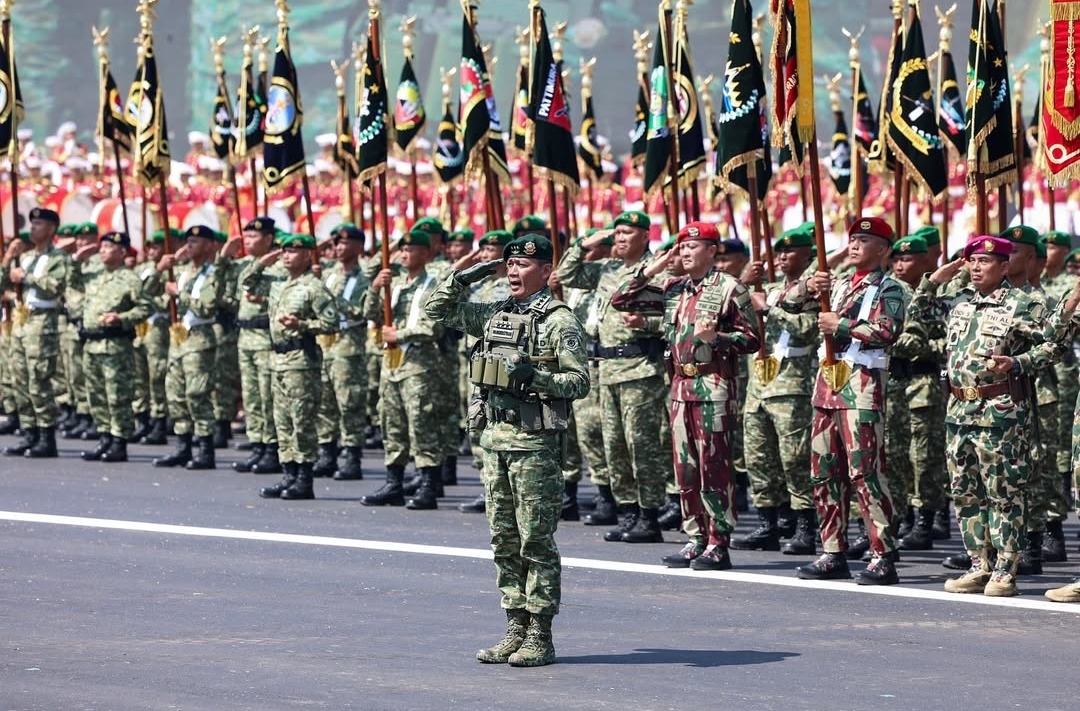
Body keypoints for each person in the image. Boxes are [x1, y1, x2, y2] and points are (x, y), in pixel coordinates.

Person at [424, 234, 589, 668]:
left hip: (535, 443)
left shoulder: (559, 321)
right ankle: (514, 627)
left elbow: (579, 383)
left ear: (546, 271)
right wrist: (464, 277)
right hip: (494, 442)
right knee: (503, 539)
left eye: (523, 265)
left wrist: (536, 376)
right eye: (509, 264)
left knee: (535, 540)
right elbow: (434, 311)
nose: (513, 272)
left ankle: (540, 634)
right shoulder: (496, 313)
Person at [911, 235, 1078, 596]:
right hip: (958, 409)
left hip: (1001, 411)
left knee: (1004, 491)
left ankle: (1005, 568)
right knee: (966, 491)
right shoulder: (959, 304)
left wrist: (1019, 363)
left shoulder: (1024, 303)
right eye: (971, 261)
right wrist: (937, 278)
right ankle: (977, 564)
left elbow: (1055, 341)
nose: (974, 267)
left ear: (1004, 267)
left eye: (983, 262)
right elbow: (919, 315)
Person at [612, 222, 761, 570]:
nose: (685, 253)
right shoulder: (674, 289)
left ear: (712, 251)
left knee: (713, 467)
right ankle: (695, 537)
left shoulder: (729, 288)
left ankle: (718, 541)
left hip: (714, 388)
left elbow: (752, 339)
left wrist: (720, 339)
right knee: (686, 469)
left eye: (693, 247)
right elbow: (622, 299)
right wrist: (655, 266)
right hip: (680, 387)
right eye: (681, 247)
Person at [783, 216, 906, 585]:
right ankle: (832, 550)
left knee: (864, 473)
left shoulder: (889, 287)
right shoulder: (834, 285)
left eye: (864, 240)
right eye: (852, 239)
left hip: (862, 388)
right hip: (827, 387)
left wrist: (841, 326)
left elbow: (887, 330)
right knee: (823, 473)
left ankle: (882, 552)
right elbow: (787, 303)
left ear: (882, 250)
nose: (854, 245)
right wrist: (810, 282)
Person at [555, 210, 670, 544]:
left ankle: (649, 516)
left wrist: (647, 325)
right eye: (616, 232)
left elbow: (676, 319)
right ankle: (628, 512)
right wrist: (583, 243)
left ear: (645, 236)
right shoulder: (607, 269)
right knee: (614, 446)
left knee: (641, 446)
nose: (619, 238)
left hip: (639, 370)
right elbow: (565, 274)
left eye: (627, 233)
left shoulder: (657, 271)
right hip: (605, 371)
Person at [736, 222, 820, 556]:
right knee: (758, 457)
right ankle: (769, 522)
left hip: (792, 386)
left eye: (790, 251)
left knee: (795, 459)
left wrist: (769, 310)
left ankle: (804, 527)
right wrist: (745, 282)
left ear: (807, 255)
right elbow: (736, 312)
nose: (782, 256)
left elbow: (808, 329)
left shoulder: (812, 290)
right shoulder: (767, 287)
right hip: (759, 385)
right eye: (779, 251)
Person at [246, 233, 338, 500]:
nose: (286, 255)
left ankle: (304, 479)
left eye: (293, 251)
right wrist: (264, 261)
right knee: (282, 422)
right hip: (278, 361)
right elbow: (247, 284)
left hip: (301, 362)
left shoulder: (314, 287)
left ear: (308, 255)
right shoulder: (278, 284)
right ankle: (288, 475)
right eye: (283, 251)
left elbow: (332, 323)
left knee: (302, 422)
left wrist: (302, 325)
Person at [360, 228, 446, 509]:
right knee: (391, 424)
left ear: (426, 253)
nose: (405, 254)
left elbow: (433, 326)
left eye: (411, 250)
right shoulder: (394, 284)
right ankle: (394, 482)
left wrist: (401, 335)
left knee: (421, 424)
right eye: (403, 250)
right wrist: (374, 288)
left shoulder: (434, 284)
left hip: (418, 365)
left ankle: (428, 484)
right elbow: (370, 315)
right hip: (392, 365)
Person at [886, 233, 949, 552]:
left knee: (924, 457)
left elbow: (949, 340)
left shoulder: (941, 293)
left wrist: (919, 346)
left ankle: (927, 519)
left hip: (924, 383)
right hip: (895, 383)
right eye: (895, 259)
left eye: (907, 259)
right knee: (895, 456)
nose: (899, 265)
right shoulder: (887, 290)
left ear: (926, 260)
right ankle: (903, 517)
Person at [78, 231, 155, 462]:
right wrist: (76, 259)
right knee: (96, 394)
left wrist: (121, 318)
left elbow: (145, 307)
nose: (102, 250)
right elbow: (70, 280)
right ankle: (104, 438)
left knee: (117, 395)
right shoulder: (94, 274)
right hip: (91, 343)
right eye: (101, 247)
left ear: (122, 252)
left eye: (108, 247)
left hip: (114, 344)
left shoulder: (130, 278)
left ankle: (119, 441)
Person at [2, 207, 72, 458]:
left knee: (39, 379)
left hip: (42, 323)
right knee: (19, 379)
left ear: (51, 229)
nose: (32, 228)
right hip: (22, 322)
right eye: (32, 224)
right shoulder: (27, 256)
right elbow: (3, 285)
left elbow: (54, 288)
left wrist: (27, 277)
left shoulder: (59, 258)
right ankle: (28, 433)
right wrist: (8, 258)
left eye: (38, 224)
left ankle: (46, 436)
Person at [153, 225, 224, 470]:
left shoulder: (213, 273)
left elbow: (206, 307)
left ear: (209, 245)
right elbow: (152, 296)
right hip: (178, 341)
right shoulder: (181, 272)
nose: (190, 245)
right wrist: (159, 270)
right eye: (188, 241)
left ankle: (205, 448)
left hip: (199, 341)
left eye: (196, 241)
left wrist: (179, 293)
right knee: (175, 395)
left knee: (197, 395)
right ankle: (183, 446)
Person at [227, 218, 286, 473]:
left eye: (253, 237)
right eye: (246, 236)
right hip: (246, 339)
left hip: (265, 338)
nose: (247, 241)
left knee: (267, 396)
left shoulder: (280, 267)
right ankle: (258, 445)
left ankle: (272, 449)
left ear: (269, 240)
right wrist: (222, 257)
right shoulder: (244, 265)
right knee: (251, 397)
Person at [315, 224, 372, 481]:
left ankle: (351, 455)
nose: (339, 248)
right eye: (336, 243)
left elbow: (361, 312)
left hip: (349, 347)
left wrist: (330, 297)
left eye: (345, 243)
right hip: (324, 346)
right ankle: (327, 451)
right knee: (325, 402)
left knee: (349, 403)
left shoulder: (365, 277)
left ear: (359, 247)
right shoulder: (328, 274)